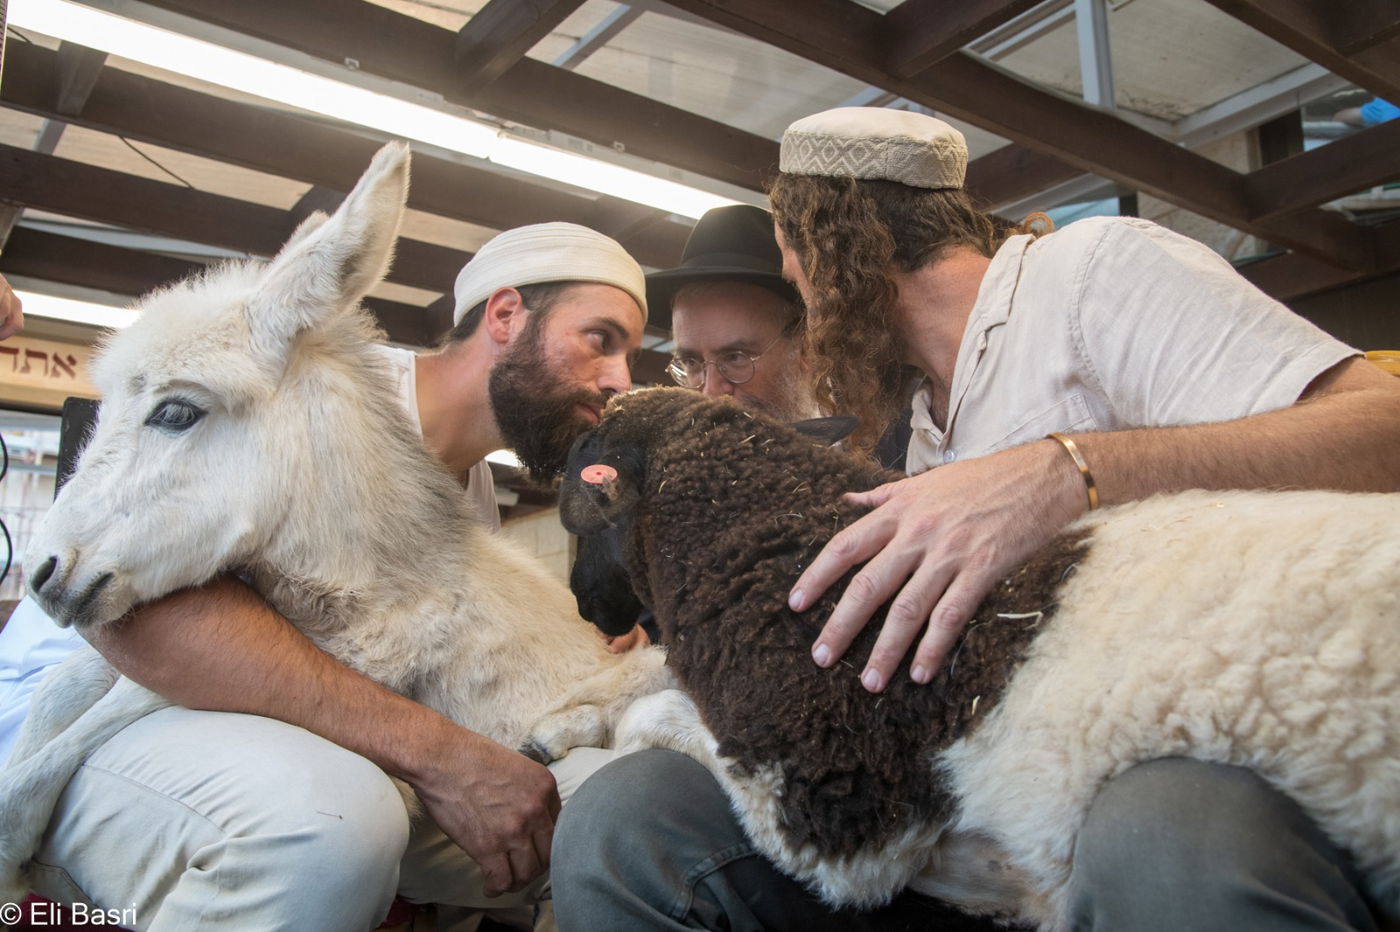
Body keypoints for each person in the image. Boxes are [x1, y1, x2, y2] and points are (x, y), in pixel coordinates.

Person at [551, 108, 1400, 930]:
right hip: (975, 811)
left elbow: (1383, 429)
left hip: (1176, 746)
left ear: (830, 242)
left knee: (1161, 828)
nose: (800, 292)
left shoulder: (1089, 273)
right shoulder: (911, 430)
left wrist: (1064, 473)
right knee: (630, 818)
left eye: (790, 262)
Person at [0, 222, 650, 929]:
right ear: (504, 315)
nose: (621, 380)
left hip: (236, 727)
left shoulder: (469, 492)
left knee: (613, 810)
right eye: (600, 338)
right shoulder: (307, 393)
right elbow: (140, 626)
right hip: (88, 705)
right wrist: (441, 755)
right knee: (329, 824)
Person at [648, 204, 819, 423]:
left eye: (735, 358)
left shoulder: (862, 450)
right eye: (691, 362)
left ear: (805, 350)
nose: (710, 393)